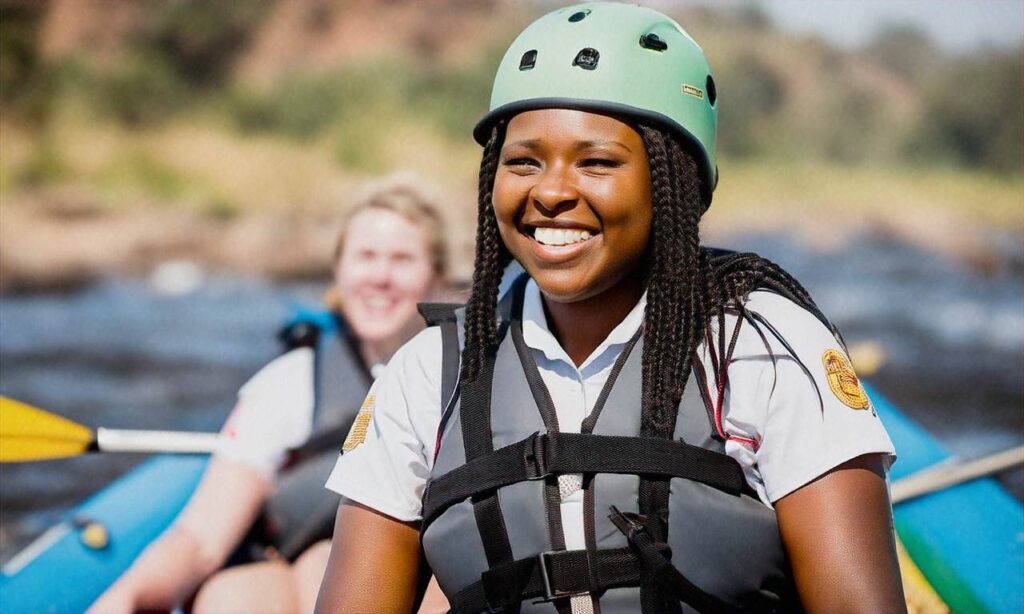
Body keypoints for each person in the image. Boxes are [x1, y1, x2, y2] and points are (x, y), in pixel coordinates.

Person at [316, 3, 907, 614]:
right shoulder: (427, 373)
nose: (550, 192)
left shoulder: (764, 350)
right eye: (523, 161)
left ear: (675, 184)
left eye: (596, 162)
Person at [89, 176, 450, 614]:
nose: (380, 276)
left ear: (437, 277)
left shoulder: (466, 377)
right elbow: (202, 538)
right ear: (339, 271)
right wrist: (125, 599)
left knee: (326, 567)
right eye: (366, 256)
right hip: (288, 565)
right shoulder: (290, 382)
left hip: (415, 575)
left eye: (402, 259)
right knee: (234, 596)